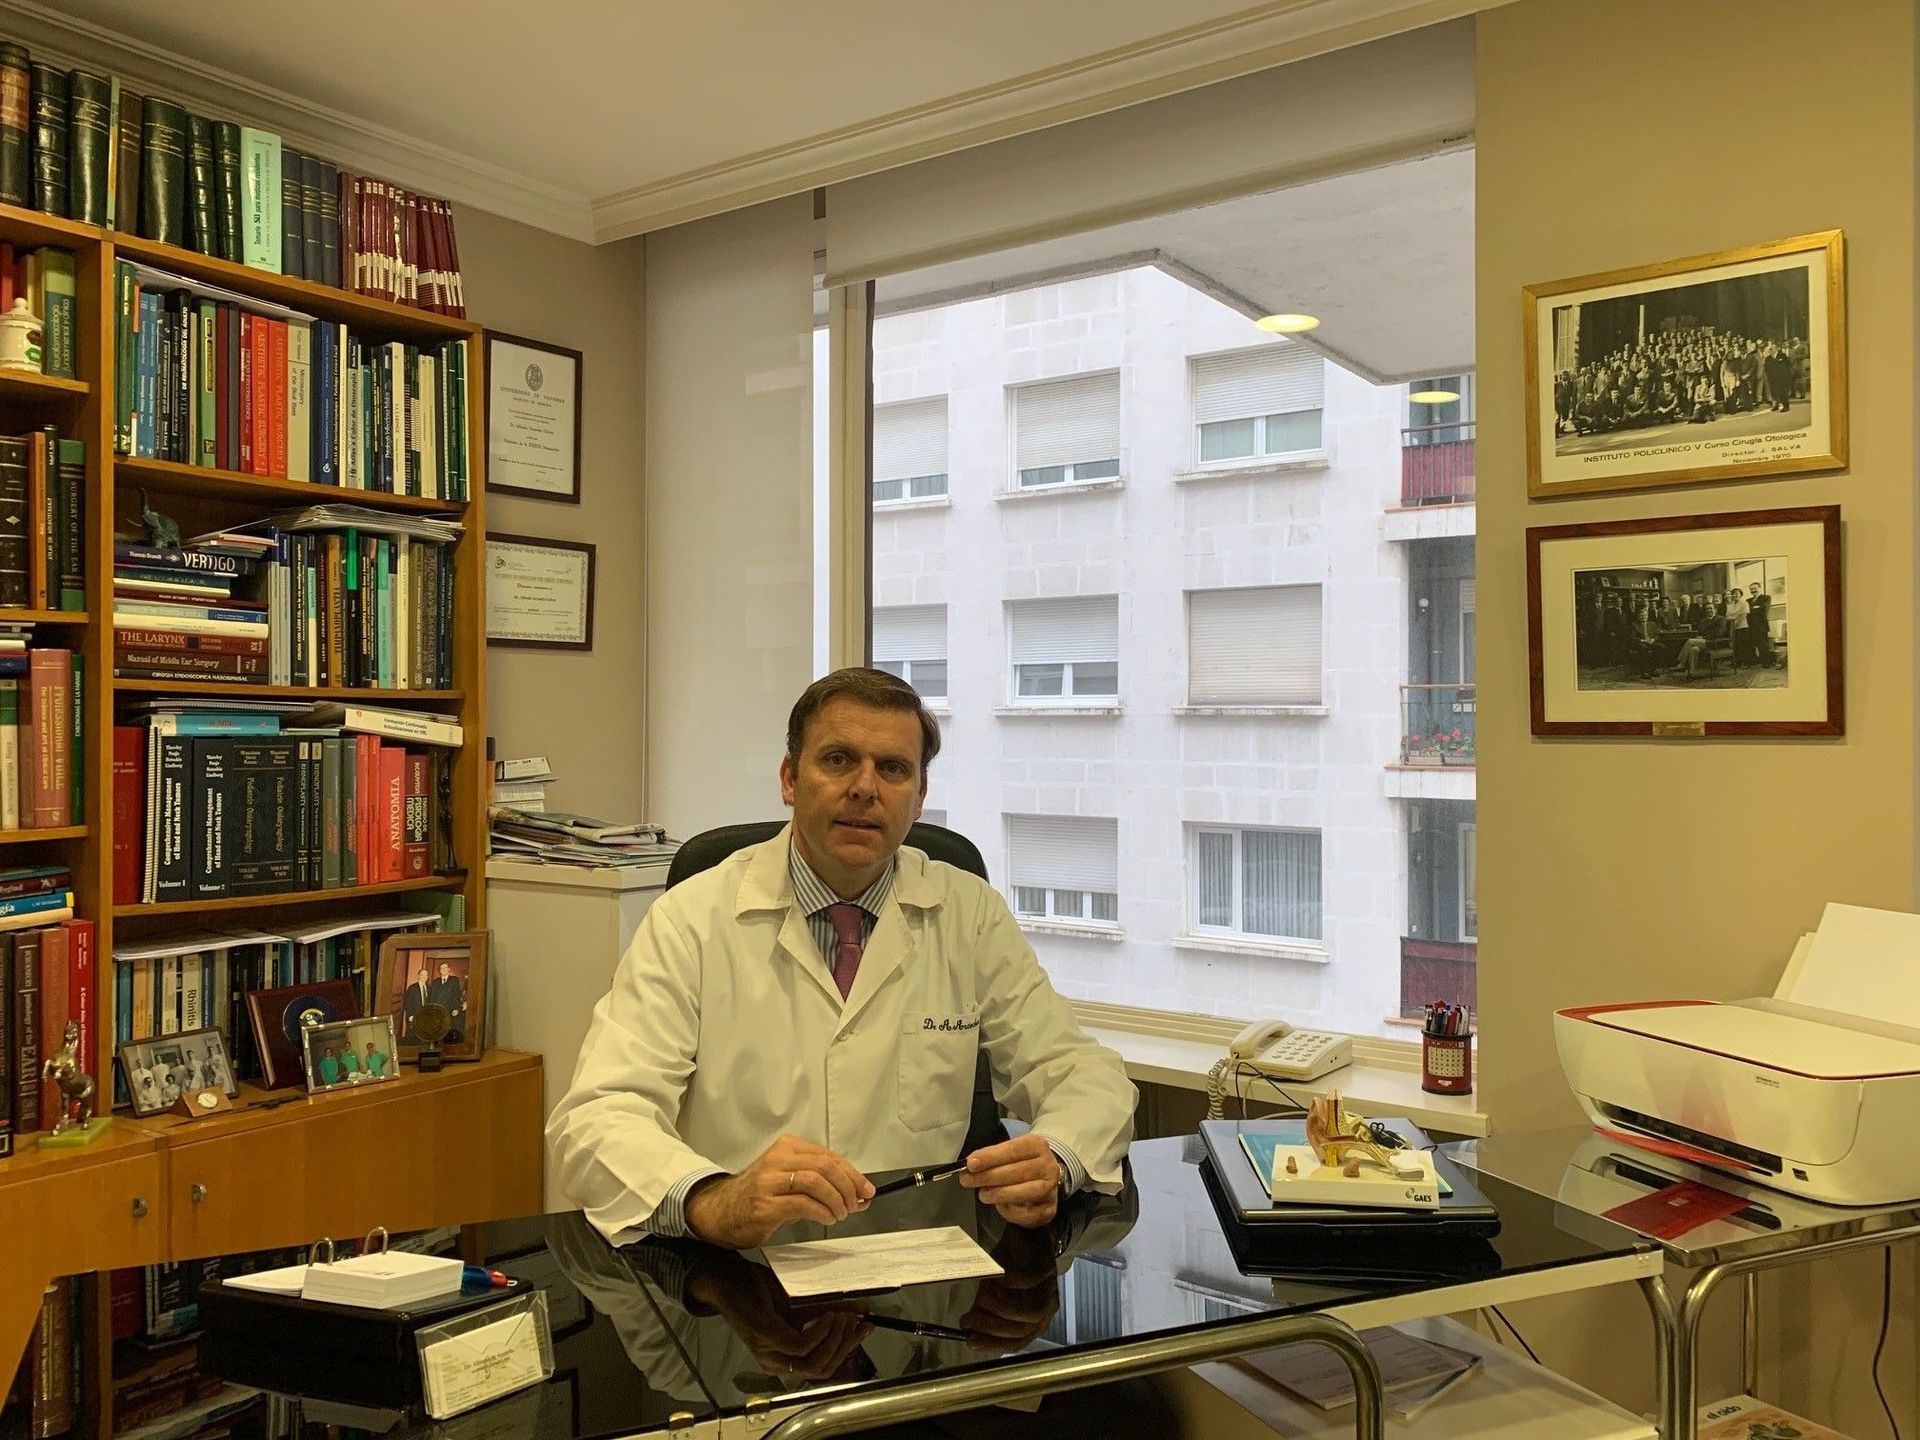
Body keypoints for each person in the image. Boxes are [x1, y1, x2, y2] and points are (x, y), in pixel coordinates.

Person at [548, 667, 1135, 1250]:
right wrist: (711, 1199)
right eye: (837, 760)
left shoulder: (968, 914)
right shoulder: (691, 918)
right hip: (742, 1278)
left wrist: (1056, 1157)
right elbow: (598, 1115)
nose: (864, 787)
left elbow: (1083, 1073)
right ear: (789, 778)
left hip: (920, 1282)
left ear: (920, 797)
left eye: (894, 768)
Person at [428, 961, 468, 1043]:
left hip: (450, 1011)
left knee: (449, 1031)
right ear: (439, 970)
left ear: (448, 969)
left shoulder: (454, 980)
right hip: (439, 1011)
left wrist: (456, 1008)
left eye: (445, 968)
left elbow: (456, 995)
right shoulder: (435, 982)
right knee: (439, 1031)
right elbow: (432, 997)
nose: (443, 969)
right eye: (441, 968)